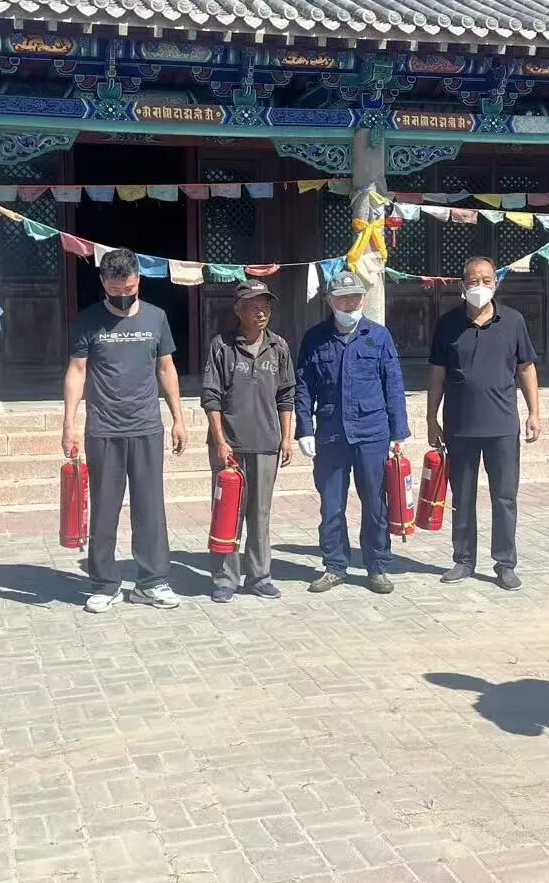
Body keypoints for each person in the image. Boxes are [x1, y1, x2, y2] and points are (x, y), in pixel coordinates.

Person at [62, 248, 187, 613]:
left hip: (146, 426)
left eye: (129, 289)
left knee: (150, 508)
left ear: (139, 281)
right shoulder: (88, 321)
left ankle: (152, 582)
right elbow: (77, 371)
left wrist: (178, 418)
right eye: (115, 290)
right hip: (104, 428)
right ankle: (104, 584)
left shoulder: (156, 317)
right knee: (105, 509)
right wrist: (69, 423)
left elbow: (166, 368)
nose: (122, 296)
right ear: (103, 283)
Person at [427, 256, 541, 591]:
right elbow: (437, 374)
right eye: (473, 281)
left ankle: (505, 564)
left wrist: (534, 412)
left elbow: (526, 368)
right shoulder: (447, 324)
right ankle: (463, 560)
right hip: (460, 427)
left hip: (502, 427)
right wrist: (431, 418)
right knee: (462, 497)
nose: (480, 286)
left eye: (486, 280)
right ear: (462, 285)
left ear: (496, 283)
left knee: (504, 498)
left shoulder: (513, 321)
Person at [294, 270, 410, 594]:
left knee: (375, 505)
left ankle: (377, 567)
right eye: (342, 298)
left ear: (364, 299)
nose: (350, 303)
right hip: (331, 434)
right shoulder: (314, 339)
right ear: (329, 301)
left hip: (372, 433)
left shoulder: (379, 336)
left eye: (355, 297)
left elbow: (393, 384)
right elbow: (303, 387)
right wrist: (304, 428)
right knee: (332, 506)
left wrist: (398, 431)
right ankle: (334, 565)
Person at [200, 279, 297, 603]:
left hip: (266, 443)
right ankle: (225, 578)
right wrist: (220, 440)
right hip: (229, 445)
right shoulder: (222, 346)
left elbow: (286, 395)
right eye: (254, 307)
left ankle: (259, 576)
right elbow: (211, 397)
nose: (261, 313)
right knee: (227, 512)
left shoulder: (279, 346)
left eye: (265, 307)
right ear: (238, 310)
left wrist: (286, 438)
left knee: (260, 513)